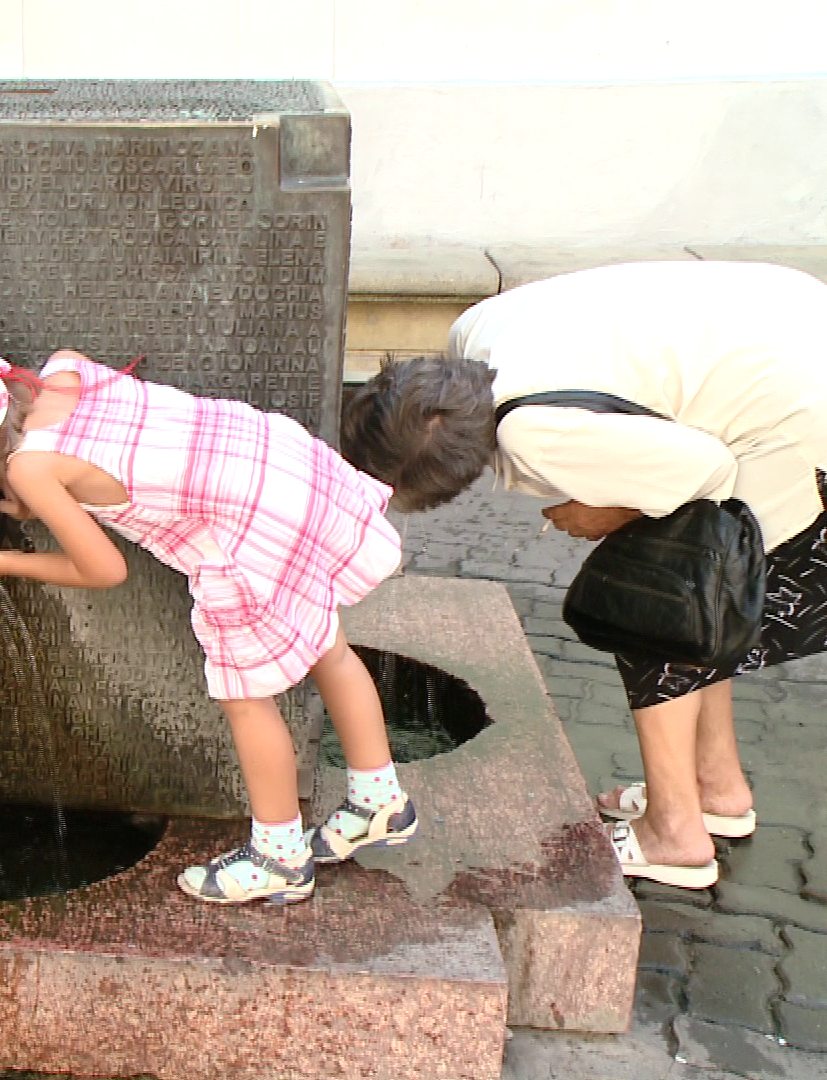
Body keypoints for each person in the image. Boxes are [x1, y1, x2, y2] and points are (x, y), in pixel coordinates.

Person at [0, 321, 416, 905]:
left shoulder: (31, 468)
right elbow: (82, 454)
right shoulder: (63, 368)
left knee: (245, 698)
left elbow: (104, 570)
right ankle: (378, 800)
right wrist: (38, 500)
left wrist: (5, 564)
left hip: (239, 535)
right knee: (326, 642)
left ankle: (279, 857)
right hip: (275, 468)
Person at [340, 260, 827, 891]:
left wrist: (607, 508)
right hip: (793, 332)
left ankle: (675, 834)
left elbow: (707, 473)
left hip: (805, 430)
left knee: (663, 600)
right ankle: (717, 788)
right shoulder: (472, 336)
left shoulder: (530, 431)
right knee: (698, 597)